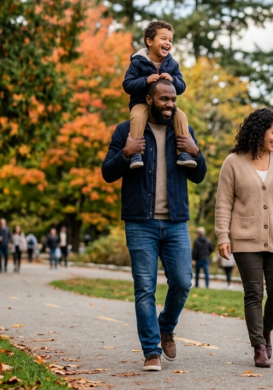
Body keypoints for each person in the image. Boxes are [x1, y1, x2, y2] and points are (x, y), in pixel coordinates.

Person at [102, 78, 207, 372]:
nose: (170, 105)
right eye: (163, 99)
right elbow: (107, 173)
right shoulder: (126, 131)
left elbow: (199, 176)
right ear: (149, 100)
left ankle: (166, 327)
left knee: (183, 283)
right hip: (140, 223)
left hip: (175, 223)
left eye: (173, 99)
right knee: (145, 288)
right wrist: (125, 153)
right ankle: (151, 351)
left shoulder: (183, 130)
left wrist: (196, 153)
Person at [215, 108, 273, 369]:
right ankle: (258, 346)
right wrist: (223, 236)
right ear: (259, 130)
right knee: (253, 293)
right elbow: (223, 204)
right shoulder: (233, 162)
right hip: (244, 239)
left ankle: (265, 331)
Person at [122, 20, 196, 170]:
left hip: (164, 106)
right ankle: (137, 153)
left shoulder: (172, 64)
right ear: (149, 41)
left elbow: (182, 87)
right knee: (137, 116)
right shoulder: (138, 62)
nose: (167, 43)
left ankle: (183, 153)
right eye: (163, 39)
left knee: (181, 116)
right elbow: (127, 85)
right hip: (141, 103)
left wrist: (173, 80)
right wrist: (145, 80)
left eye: (170, 40)